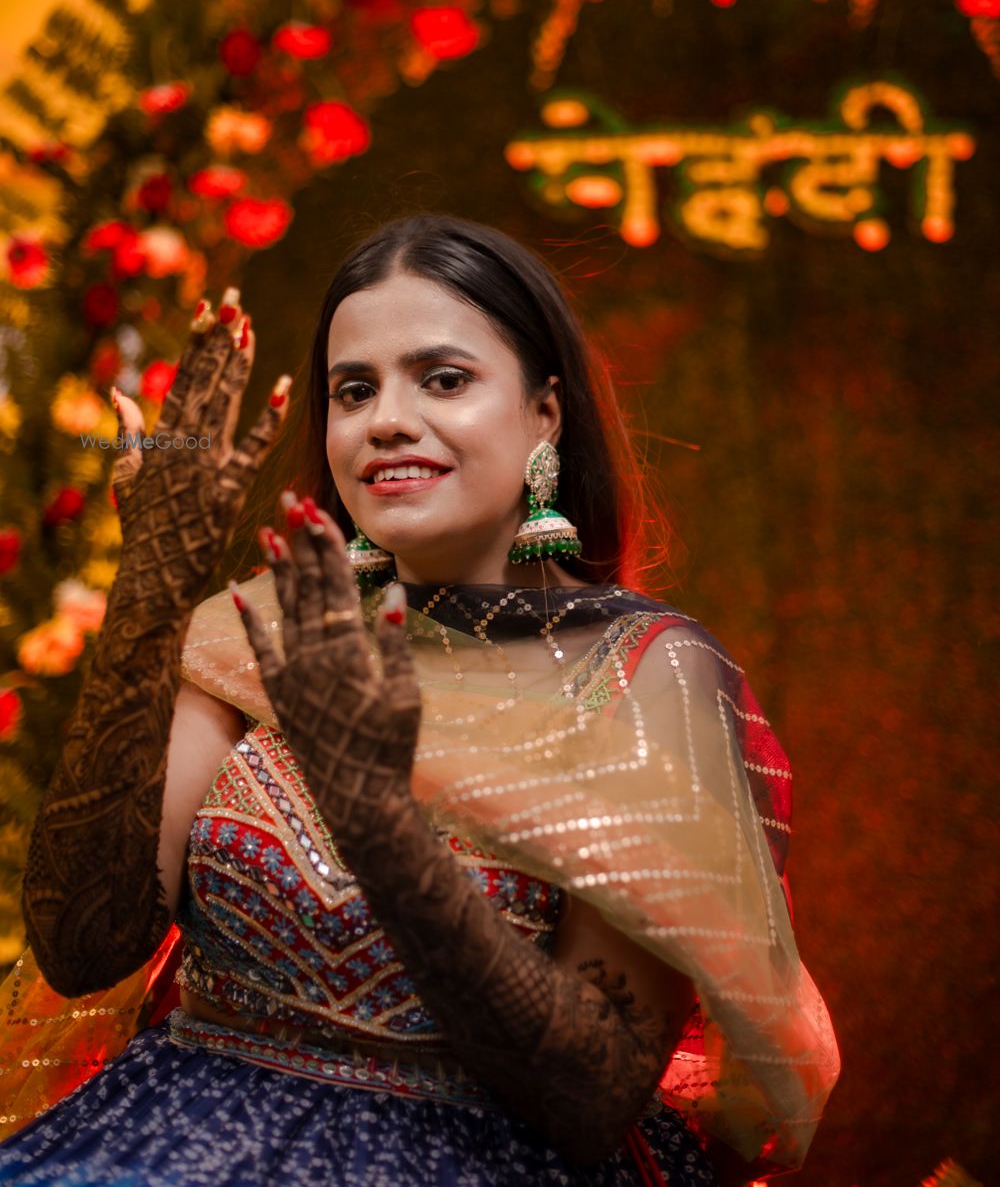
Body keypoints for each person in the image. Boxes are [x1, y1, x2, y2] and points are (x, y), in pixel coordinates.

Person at [0, 215, 839, 1186]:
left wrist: (378, 820)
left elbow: (591, 1098)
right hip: (158, 1135)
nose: (385, 419)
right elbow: (83, 947)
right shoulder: (258, 635)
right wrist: (147, 599)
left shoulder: (647, 674)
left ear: (544, 416)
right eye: (353, 390)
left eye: (442, 379)